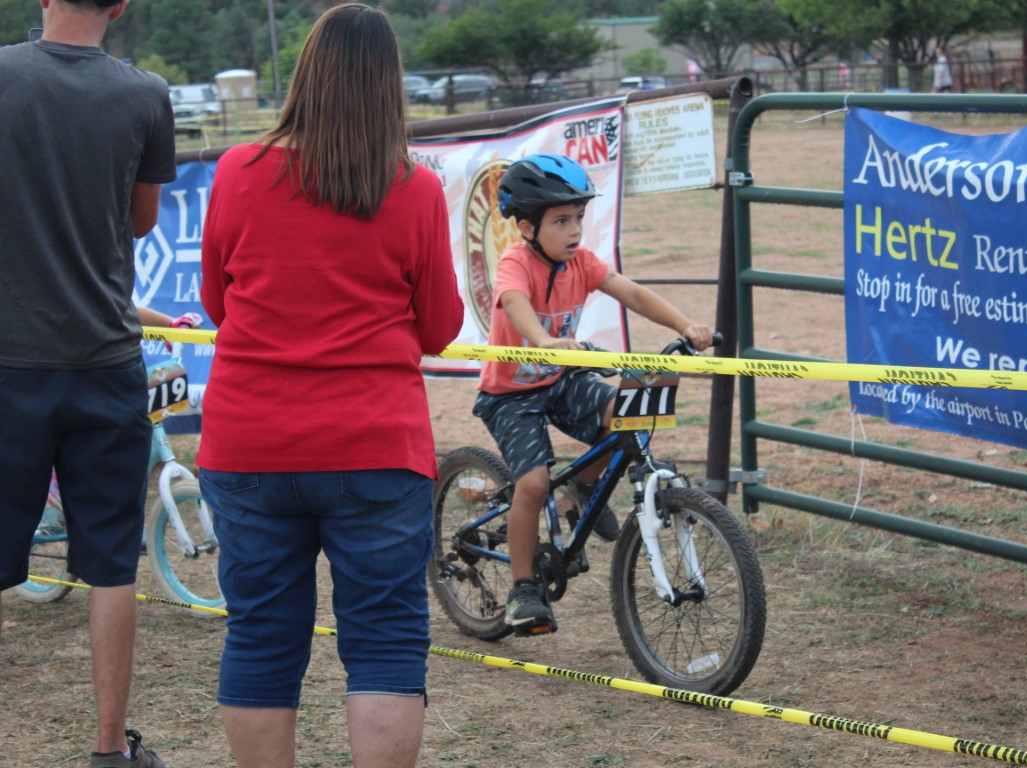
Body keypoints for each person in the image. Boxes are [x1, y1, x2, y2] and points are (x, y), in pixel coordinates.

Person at [195, 5, 464, 768]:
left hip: (250, 441)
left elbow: (218, 302)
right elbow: (439, 327)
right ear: (390, 86)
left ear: (306, 75)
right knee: (385, 641)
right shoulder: (413, 189)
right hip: (375, 444)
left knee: (259, 635)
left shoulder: (237, 171)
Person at [0, 1, 174, 766]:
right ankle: (109, 748)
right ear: (121, 4)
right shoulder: (145, 93)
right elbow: (140, 222)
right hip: (104, 360)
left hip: (8, 362)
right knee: (109, 566)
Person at [473, 153, 713, 635]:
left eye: (578, 218)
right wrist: (541, 340)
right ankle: (523, 589)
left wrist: (684, 324)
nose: (575, 230)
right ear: (527, 227)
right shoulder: (516, 262)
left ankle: (583, 491)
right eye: (561, 221)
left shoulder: (581, 263)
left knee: (625, 413)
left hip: (561, 379)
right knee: (533, 484)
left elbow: (633, 293)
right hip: (511, 395)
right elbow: (514, 303)